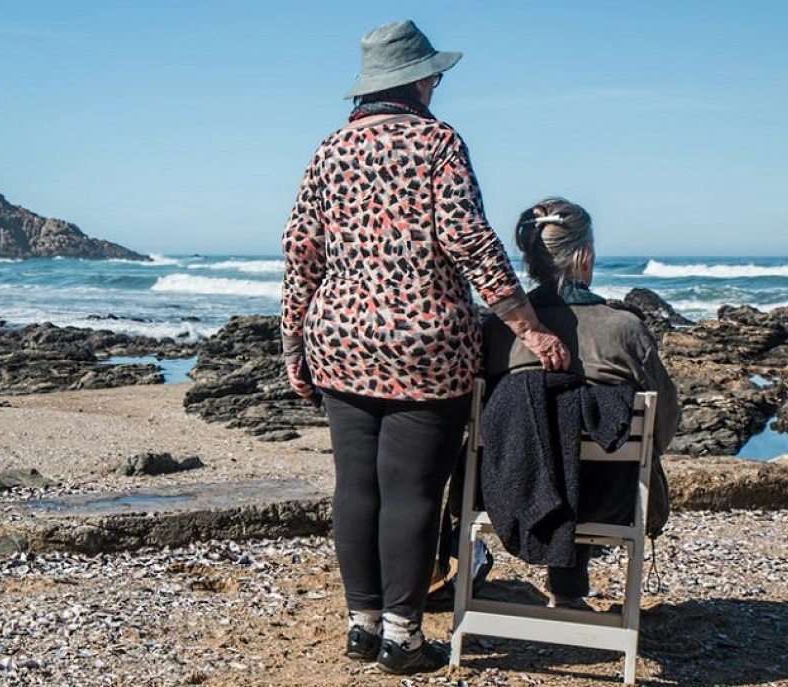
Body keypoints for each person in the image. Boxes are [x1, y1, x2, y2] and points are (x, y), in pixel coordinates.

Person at [280, 20, 570, 674]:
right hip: (425, 343)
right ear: (413, 79)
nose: (437, 81)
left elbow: (301, 254)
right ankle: (402, 638)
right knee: (411, 490)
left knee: (355, 486)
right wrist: (529, 326)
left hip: (341, 337)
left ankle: (362, 624)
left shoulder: (329, 150)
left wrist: (293, 344)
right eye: (432, 73)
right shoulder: (438, 142)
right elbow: (471, 241)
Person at [482, 197, 680, 608]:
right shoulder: (625, 330)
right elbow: (664, 423)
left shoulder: (498, 331)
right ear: (584, 256)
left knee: (546, 440)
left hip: (507, 493)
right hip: (610, 498)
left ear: (531, 260)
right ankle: (569, 592)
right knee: (589, 453)